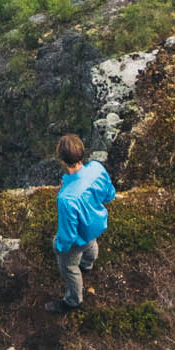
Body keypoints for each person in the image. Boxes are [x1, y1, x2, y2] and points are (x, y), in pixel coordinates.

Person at [50, 131, 114, 312]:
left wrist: (60, 248)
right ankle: (87, 265)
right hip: (97, 224)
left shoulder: (66, 198)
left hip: (80, 235)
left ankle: (73, 300)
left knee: (69, 267)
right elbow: (110, 194)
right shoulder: (97, 168)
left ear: (62, 160)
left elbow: (68, 235)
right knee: (91, 244)